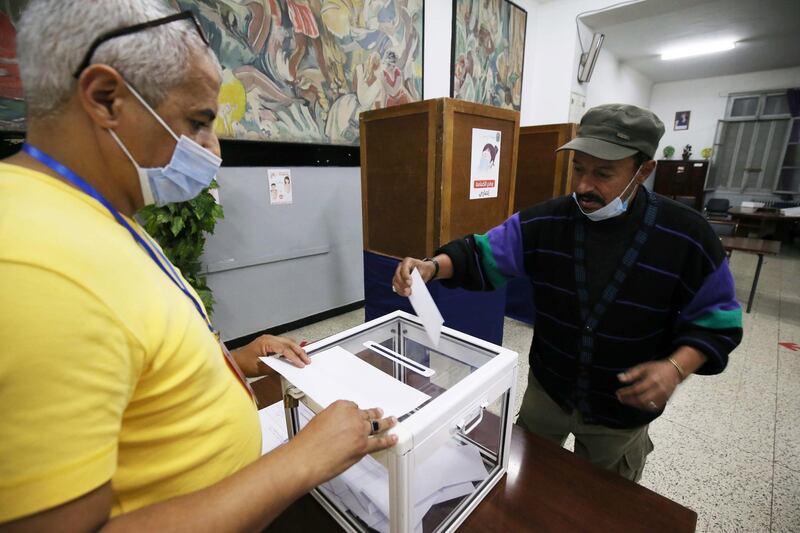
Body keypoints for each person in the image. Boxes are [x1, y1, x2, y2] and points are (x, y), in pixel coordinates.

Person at [0, 1, 396, 530]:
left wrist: (233, 359)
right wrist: (303, 458)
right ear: (105, 98)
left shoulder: (95, 215)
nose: (213, 149)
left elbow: (129, 356)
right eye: (199, 121)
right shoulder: (34, 260)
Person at [393, 103, 743, 481]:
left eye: (603, 173)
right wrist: (431, 267)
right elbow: (482, 254)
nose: (583, 186)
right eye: (578, 168)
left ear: (643, 170)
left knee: (601, 502)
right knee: (525, 479)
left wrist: (674, 369)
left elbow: (719, 322)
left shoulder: (688, 237)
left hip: (621, 412)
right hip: (549, 391)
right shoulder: (546, 221)